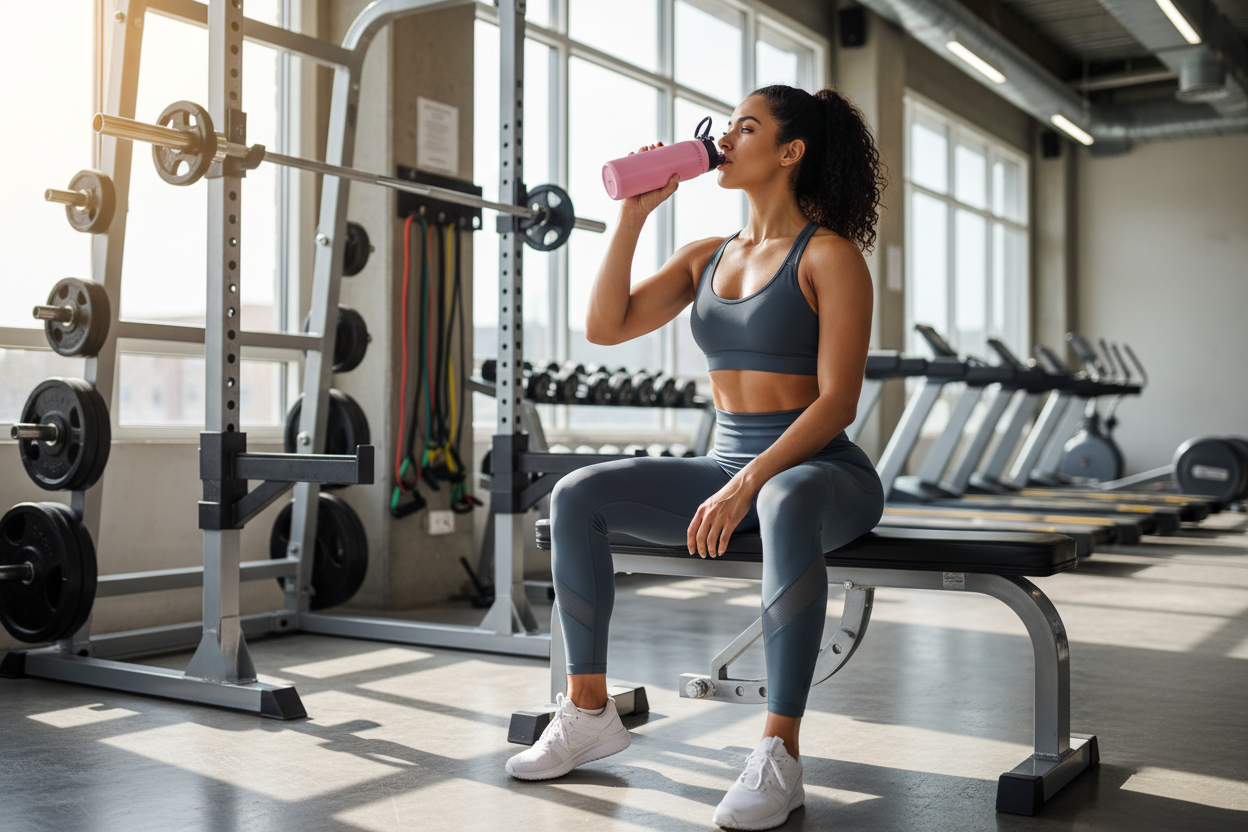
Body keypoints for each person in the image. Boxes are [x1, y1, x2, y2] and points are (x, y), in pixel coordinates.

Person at [506, 83, 888, 831]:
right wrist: (632, 216)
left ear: (790, 152)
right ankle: (589, 712)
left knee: (783, 497)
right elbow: (605, 326)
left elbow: (838, 403)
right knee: (577, 494)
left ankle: (779, 756)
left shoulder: (832, 257)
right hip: (728, 467)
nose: (723, 141)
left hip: (823, 474)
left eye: (744, 129)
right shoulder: (705, 256)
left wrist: (749, 481)